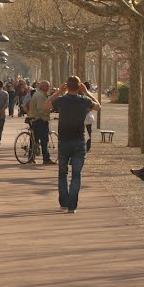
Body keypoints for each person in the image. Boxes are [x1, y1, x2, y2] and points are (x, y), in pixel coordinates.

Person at [46, 76, 99, 213]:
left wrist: (58, 92)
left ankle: (63, 202)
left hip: (63, 140)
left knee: (62, 173)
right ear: (79, 87)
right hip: (78, 140)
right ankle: (72, 205)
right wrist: (86, 92)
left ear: (67, 86)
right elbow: (98, 106)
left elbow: (47, 104)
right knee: (76, 175)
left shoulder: (61, 100)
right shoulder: (84, 100)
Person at [24, 80, 56, 165]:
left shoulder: (37, 94)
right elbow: (41, 109)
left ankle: (31, 158)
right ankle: (46, 159)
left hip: (34, 119)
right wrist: (48, 112)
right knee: (44, 140)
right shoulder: (41, 96)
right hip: (40, 120)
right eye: (47, 86)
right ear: (42, 87)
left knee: (34, 140)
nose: (48, 88)